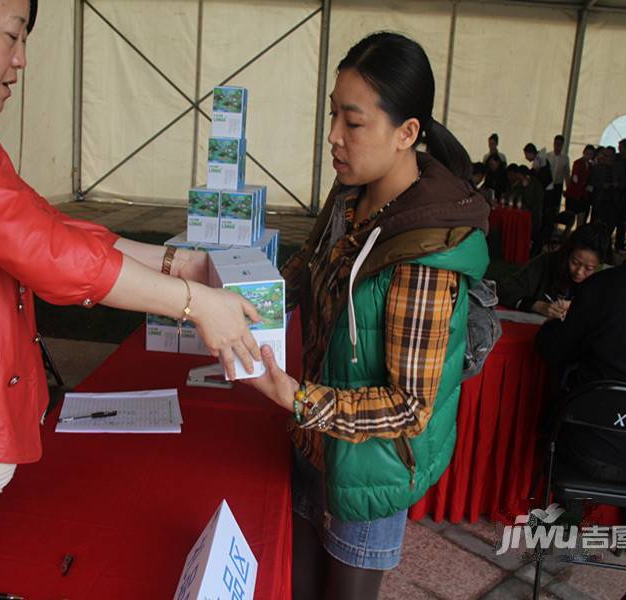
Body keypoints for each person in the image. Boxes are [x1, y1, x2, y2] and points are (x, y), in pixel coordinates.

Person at [0, 0, 262, 589]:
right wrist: (192, 302)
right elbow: (39, 247)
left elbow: (50, 227)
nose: (21, 59)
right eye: (12, 35)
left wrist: (188, 263)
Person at [245, 32, 490, 599]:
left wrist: (294, 397)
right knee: (297, 583)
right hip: (316, 440)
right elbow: (308, 266)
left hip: (371, 467)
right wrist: (240, 303)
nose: (333, 136)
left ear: (407, 133)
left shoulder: (424, 252)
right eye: (332, 114)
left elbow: (409, 406)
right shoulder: (352, 192)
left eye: (352, 123)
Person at [536, 172, 626, 563]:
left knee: (561, 414)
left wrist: (553, 324)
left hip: (588, 451)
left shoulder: (602, 288)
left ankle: (565, 522)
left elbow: (553, 352)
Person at [498, 224, 610, 319]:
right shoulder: (547, 262)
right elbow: (505, 290)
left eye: (589, 268)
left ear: (598, 266)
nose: (579, 272)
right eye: (575, 262)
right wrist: (539, 306)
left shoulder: (605, 279)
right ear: (568, 253)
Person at [565, 144, 595, 228]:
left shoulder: (591, 166)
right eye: (587, 153)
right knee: (570, 220)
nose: (588, 156)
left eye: (590, 154)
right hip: (574, 195)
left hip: (583, 196)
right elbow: (575, 177)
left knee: (581, 220)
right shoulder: (578, 162)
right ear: (583, 152)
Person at [547, 134, 570, 217]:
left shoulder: (565, 158)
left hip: (558, 185)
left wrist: (568, 189)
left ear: (562, 145)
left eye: (559, 144)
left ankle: (553, 224)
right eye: (556, 144)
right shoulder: (548, 156)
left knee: (555, 206)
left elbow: (567, 174)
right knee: (547, 205)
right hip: (548, 183)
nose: (557, 146)